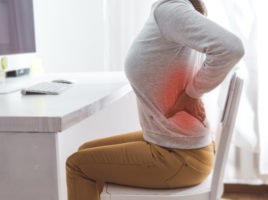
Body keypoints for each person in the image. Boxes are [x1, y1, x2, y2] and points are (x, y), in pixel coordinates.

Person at [66, 0, 244, 199]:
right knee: (85, 151)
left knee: (78, 165)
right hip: (176, 145)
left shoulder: (170, 10)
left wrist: (192, 94)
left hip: (180, 156)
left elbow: (232, 47)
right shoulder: (170, 10)